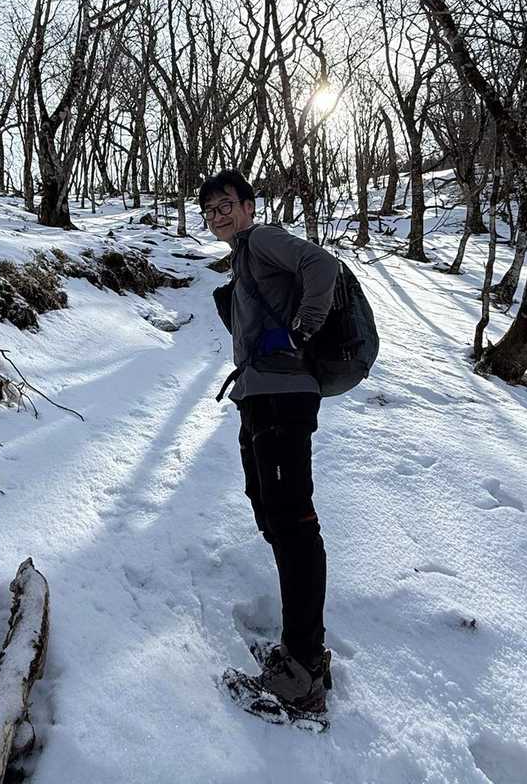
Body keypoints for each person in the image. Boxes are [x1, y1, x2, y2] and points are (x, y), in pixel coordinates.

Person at [201, 168, 340, 714]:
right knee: (275, 517)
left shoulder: (260, 239)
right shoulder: (243, 259)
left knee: (293, 524)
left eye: (226, 204)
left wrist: (302, 328)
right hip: (260, 398)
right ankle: (301, 651)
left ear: (248, 206)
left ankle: (302, 675)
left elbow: (322, 264)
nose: (218, 215)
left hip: (283, 397)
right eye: (210, 210)